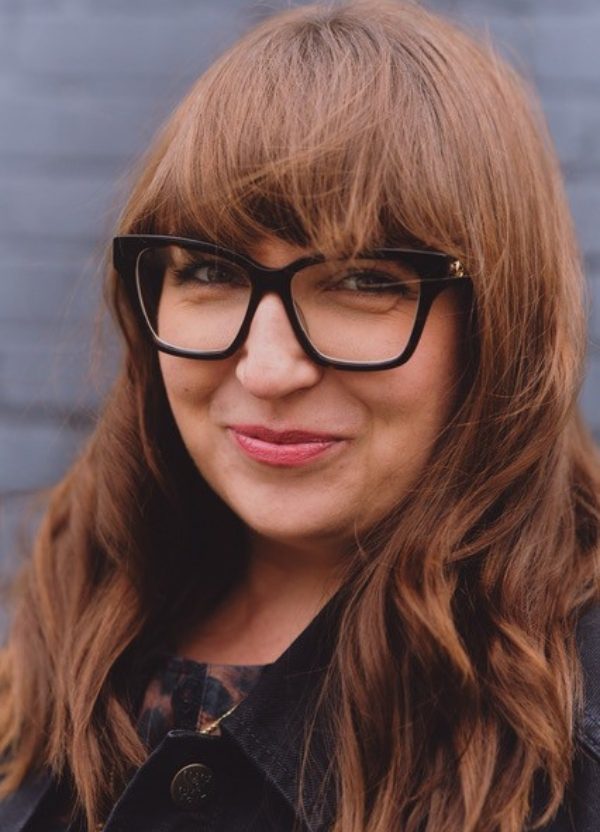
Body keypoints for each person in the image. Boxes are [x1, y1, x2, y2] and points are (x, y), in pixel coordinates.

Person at [1, 1, 599, 830]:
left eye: (363, 281)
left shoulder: (568, 730)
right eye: (209, 270)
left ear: (498, 323)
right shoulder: (80, 609)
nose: (268, 369)